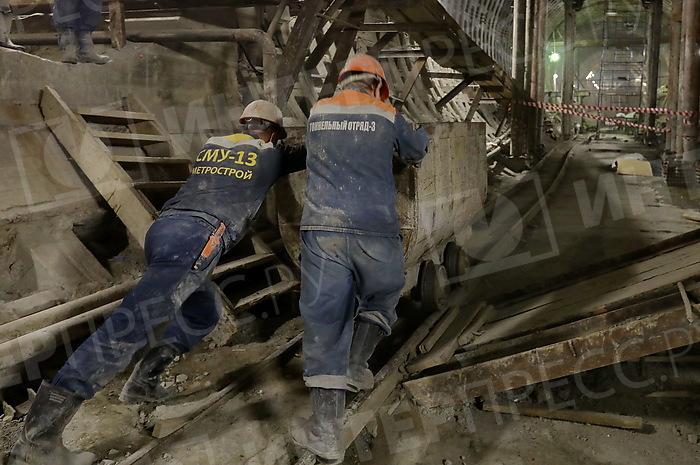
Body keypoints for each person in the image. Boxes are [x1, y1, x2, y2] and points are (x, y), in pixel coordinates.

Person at [9, 100, 304, 465]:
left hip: (163, 230)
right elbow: (315, 149)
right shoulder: (273, 152)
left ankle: (143, 382)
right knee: (127, 328)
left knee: (202, 312)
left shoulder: (214, 145)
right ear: (274, 132)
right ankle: (37, 443)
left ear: (244, 124)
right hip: (198, 239)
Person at [290, 54, 430, 463]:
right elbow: (417, 150)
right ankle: (356, 363)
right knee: (383, 294)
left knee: (325, 321)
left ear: (343, 80)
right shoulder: (386, 115)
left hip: (323, 230)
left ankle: (325, 432)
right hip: (375, 230)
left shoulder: (318, 111)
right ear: (378, 85)